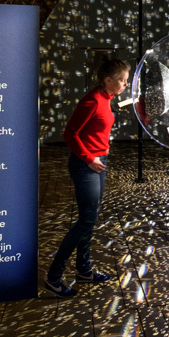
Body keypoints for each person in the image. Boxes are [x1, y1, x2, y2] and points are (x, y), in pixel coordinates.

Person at [46, 57, 129, 298]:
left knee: (89, 219)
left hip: (98, 162)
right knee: (86, 220)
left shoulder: (106, 98)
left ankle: (84, 270)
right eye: (122, 80)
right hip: (87, 165)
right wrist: (88, 157)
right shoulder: (92, 100)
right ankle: (53, 277)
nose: (125, 84)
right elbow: (70, 133)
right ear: (108, 80)